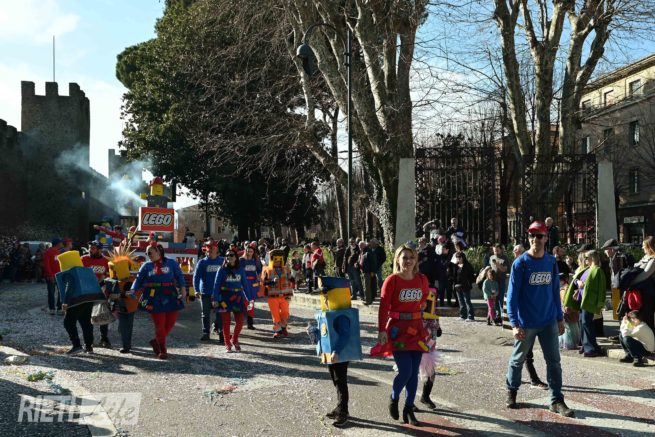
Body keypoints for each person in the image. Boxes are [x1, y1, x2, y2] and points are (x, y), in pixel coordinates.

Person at [505, 221, 573, 417]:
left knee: (554, 362)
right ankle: (512, 391)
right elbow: (512, 296)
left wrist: (559, 318)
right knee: (517, 360)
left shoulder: (551, 261)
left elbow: (554, 291)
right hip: (526, 323)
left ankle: (556, 400)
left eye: (539, 235)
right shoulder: (520, 263)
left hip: (548, 321)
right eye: (532, 235)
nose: (535, 239)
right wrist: (514, 323)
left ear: (545, 238)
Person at [376, 244, 429, 426]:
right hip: (398, 330)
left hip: (417, 329)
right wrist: (381, 330)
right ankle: (394, 397)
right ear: (397, 259)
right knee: (405, 371)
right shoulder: (392, 280)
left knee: (414, 373)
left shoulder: (422, 279)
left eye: (412, 257)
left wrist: (424, 310)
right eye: (404, 257)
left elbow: (424, 298)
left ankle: (409, 407)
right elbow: (383, 308)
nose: (408, 261)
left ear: (416, 260)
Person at [131, 243, 187, 360]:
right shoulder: (146, 266)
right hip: (153, 296)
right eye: (146, 253)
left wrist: (183, 289)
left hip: (170, 294)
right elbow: (138, 279)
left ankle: (156, 341)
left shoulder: (171, 263)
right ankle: (162, 349)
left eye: (149, 252)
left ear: (158, 251)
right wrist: (132, 290)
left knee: (171, 322)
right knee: (159, 324)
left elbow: (179, 276)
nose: (148, 255)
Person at [563, 250, 606, 357]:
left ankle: (590, 348)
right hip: (582, 301)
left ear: (593, 258)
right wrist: (578, 283)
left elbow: (602, 288)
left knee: (587, 323)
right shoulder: (587, 269)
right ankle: (587, 345)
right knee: (583, 322)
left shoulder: (598, 270)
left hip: (590, 301)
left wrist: (601, 303)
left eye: (587, 257)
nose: (585, 259)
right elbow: (576, 280)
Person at [212, 249, 253, 352]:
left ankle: (234, 339)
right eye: (227, 255)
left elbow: (245, 285)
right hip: (225, 297)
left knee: (240, 321)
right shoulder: (221, 269)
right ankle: (227, 343)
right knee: (226, 322)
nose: (228, 257)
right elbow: (216, 285)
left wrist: (250, 299)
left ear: (236, 257)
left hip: (238, 297)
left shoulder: (240, 270)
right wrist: (215, 299)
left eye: (231, 255)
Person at [81, 241, 112, 348]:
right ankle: (89, 342)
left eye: (93, 248)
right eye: (90, 248)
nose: (90, 250)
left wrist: (104, 279)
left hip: (101, 292)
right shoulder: (83, 259)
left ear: (99, 250)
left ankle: (104, 338)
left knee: (103, 315)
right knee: (87, 317)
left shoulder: (106, 261)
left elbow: (110, 276)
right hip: (87, 292)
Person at [193, 240, 223, 342]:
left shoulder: (222, 261)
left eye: (212, 249)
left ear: (216, 249)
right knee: (205, 314)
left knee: (220, 314)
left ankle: (221, 332)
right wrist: (196, 290)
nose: (210, 251)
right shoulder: (202, 262)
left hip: (219, 293)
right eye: (208, 249)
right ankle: (206, 333)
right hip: (205, 292)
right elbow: (196, 277)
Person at [261, 249, 295, 338]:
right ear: (272, 260)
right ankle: (277, 330)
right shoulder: (267, 270)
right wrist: (271, 282)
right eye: (276, 260)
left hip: (285, 295)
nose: (278, 262)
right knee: (275, 313)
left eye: (280, 260)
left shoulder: (286, 269)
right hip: (273, 296)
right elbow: (263, 282)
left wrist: (293, 279)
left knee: (285, 312)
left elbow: (291, 279)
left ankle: (283, 327)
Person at [628, 236, 655, 332]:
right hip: (641, 293)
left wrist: (630, 282)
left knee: (647, 318)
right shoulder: (645, 257)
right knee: (640, 317)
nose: (642, 247)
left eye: (644, 245)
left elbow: (645, 275)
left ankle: (650, 338)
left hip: (648, 294)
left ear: (649, 246)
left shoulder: (653, 259)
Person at [240, 243, 263, 330]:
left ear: (253, 252)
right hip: (244, 283)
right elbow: (239, 271)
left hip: (253, 283)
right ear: (245, 251)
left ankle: (250, 323)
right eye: (248, 251)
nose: (249, 253)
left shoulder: (256, 261)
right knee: (243, 302)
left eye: (251, 251)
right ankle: (241, 321)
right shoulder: (242, 260)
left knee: (251, 302)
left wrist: (259, 279)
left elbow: (259, 271)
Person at [489, 244, 509, 323]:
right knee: (495, 298)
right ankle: (497, 316)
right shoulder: (491, 257)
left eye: (497, 250)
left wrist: (497, 264)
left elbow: (505, 269)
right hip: (493, 282)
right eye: (494, 251)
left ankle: (502, 316)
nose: (496, 252)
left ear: (501, 250)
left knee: (501, 299)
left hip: (501, 281)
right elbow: (490, 267)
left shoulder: (505, 258)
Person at [43, 238, 64, 315]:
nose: (62, 244)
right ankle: (52, 308)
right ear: (58, 243)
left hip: (59, 275)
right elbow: (47, 264)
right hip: (51, 276)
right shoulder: (48, 252)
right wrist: (50, 275)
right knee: (51, 292)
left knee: (61, 292)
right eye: (61, 243)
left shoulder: (59, 252)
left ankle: (59, 308)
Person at [453, 252, 475, 321]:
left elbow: (472, 276)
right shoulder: (455, 266)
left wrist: (468, 282)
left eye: (459, 257)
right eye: (457, 257)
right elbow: (453, 275)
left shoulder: (467, 265)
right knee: (461, 301)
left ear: (463, 257)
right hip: (458, 286)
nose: (458, 259)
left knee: (467, 301)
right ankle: (463, 316)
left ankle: (471, 316)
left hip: (466, 286)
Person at [358, 241, 378, 305]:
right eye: (359, 245)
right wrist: (357, 264)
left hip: (368, 272)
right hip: (363, 272)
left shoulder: (369, 252)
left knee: (367, 287)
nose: (360, 247)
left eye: (361, 245)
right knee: (365, 286)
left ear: (364, 245)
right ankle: (367, 299)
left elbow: (373, 262)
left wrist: (373, 271)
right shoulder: (362, 252)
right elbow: (361, 261)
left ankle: (368, 300)